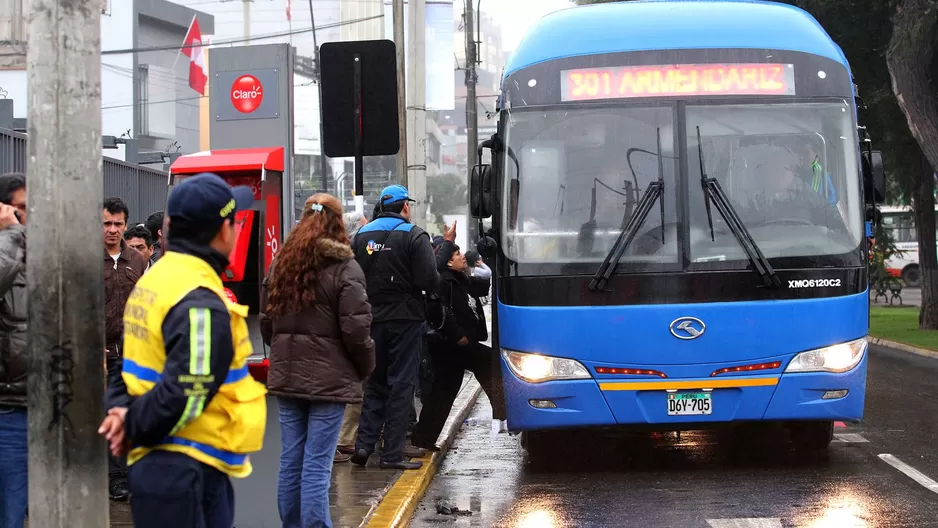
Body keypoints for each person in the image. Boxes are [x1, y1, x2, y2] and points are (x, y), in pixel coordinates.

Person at [99, 173, 268, 528]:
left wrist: (119, 411)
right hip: (187, 467)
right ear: (224, 232)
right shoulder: (201, 301)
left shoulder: (154, 281)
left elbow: (127, 365)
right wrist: (129, 423)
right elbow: (187, 394)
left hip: (160, 465)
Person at [261, 194, 375, 528]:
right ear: (338, 223)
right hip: (330, 379)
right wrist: (364, 366)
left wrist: (284, 351)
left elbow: (267, 321)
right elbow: (356, 329)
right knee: (317, 466)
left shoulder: (281, 262)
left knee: (291, 460)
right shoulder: (345, 267)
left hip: (287, 375)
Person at [351, 185, 455, 470]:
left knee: (376, 381)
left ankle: (363, 446)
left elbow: (352, 277)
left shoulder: (360, 236)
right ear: (405, 207)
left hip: (371, 318)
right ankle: (391, 454)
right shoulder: (413, 234)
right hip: (405, 319)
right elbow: (428, 279)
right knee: (401, 384)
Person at [412, 243, 507, 450]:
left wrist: (494, 257)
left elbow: (482, 285)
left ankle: (422, 438)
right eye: (457, 254)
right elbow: (439, 310)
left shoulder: (461, 279)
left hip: (462, 343)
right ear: (448, 261)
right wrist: (457, 335)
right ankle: (505, 410)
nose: (463, 257)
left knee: (443, 392)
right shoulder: (444, 281)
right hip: (451, 344)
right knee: (490, 364)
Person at [102, 197, 147, 501]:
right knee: (104, 414)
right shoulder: (87, 258)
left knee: (129, 412)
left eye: (118, 223)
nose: (112, 229)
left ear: (126, 225)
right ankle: (113, 478)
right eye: (107, 223)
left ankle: (128, 475)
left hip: (132, 352)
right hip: (100, 353)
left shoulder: (138, 260)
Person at [0, 172, 27, 528]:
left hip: (48, 402)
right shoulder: (11, 244)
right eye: (20, 210)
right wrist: (9, 234)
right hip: (9, 408)